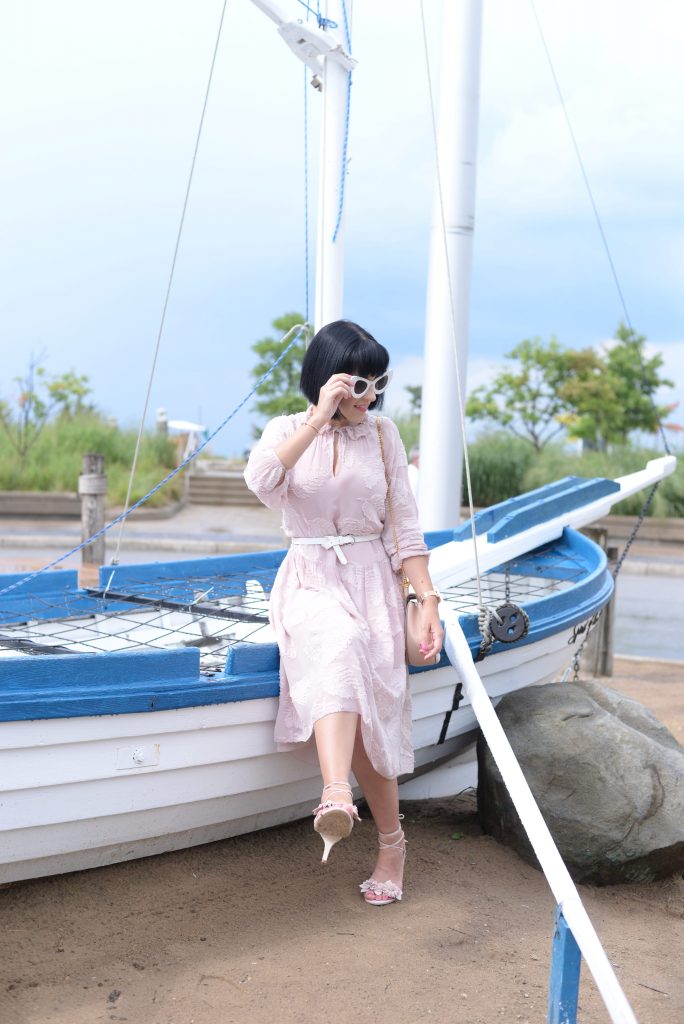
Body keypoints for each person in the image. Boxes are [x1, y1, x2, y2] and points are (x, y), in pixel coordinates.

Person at [244, 320, 443, 906]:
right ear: (328, 377)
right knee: (338, 645)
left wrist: (427, 600)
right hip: (308, 577)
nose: (370, 396)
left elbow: (405, 526)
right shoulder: (286, 429)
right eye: (359, 383)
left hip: (371, 581)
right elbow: (261, 482)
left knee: (370, 707)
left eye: (377, 383)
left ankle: (391, 844)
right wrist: (316, 419)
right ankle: (335, 795)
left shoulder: (383, 435)